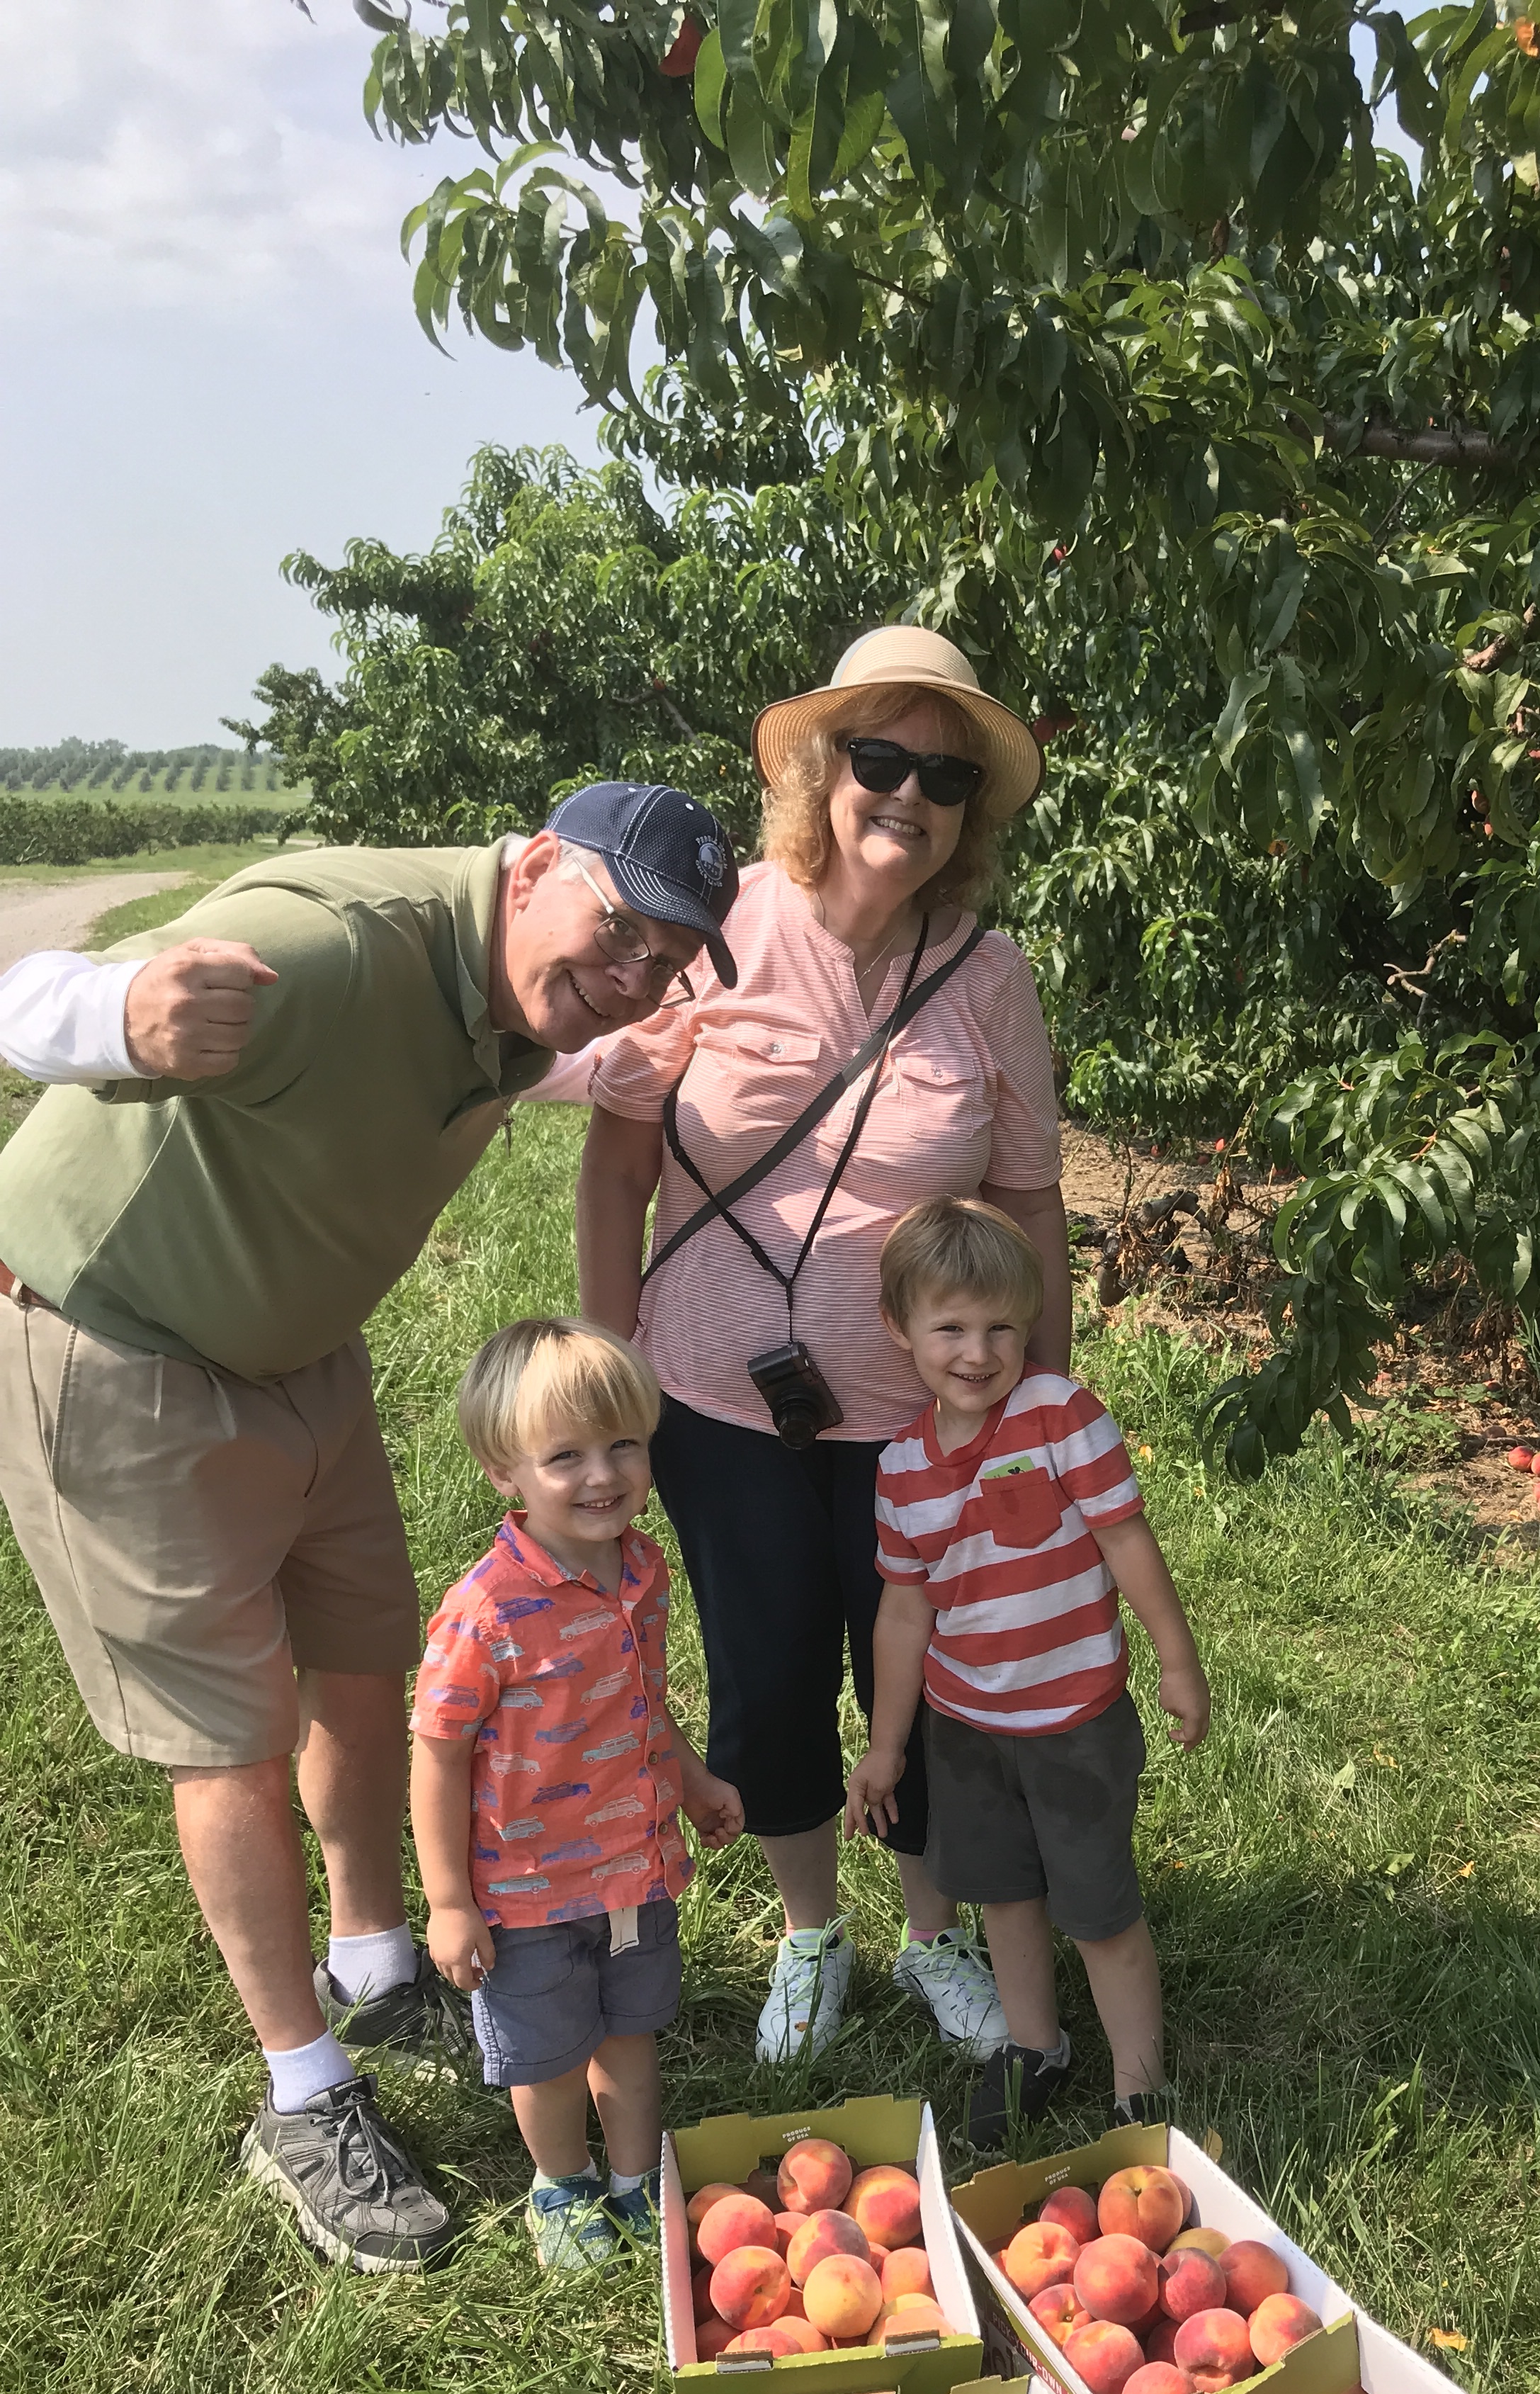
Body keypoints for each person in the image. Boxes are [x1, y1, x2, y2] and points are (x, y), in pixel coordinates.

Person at [0, 783, 740, 2274]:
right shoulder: (331, 940)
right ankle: (303, 2089)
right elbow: (26, 997)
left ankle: (376, 1959)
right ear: (535, 864)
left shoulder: (512, 982)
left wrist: (588, 1071)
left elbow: (473, 1055)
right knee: (231, 1737)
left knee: (363, 1660)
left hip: (305, 1354)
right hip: (126, 1342)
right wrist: (120, 1015)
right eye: (619, 932)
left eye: (666, 963)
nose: (633, 977)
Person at [577, 626, 1072, 2069]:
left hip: (924, 1414)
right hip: (713, 1395)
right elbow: (617, 1161)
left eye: (945, 777)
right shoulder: (718, 931)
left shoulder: (986, 974)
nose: (908, 795)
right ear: (820, 770)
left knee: (926, 1676)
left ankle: (932, 1931)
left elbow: (1031, 1196)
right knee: (769, 1668)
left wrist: (1039, 1396)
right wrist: (609, 1357)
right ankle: (811, 1927)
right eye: (880, 759)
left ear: (969, 813)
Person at [844, 1196, 1210, 2141]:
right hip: (965, 1728)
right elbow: (903, 1612)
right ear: (900, 1327)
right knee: (1004, 1896)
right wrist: (886, 1746)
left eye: (1001, 1328)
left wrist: (1176, 1662)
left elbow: (1125, 1539)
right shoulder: (900, 1469)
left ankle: (1138, 2091)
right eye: (951, 1329)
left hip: (1075, 1722)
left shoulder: (1058, 1414)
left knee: (1098, 1910)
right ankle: (1034, 2045)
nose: (978, 1352)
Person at [410, 1317, 742, 2268]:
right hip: (525, 1892)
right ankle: (562, 2184)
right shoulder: (486, 1611)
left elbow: (642, 1701)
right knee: (549, 2057)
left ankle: (635, 2179)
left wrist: (691, 1780)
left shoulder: (642, 1569)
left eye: (623, 1445)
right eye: (565, 1457)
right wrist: (448, 1901)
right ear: (502, 1471)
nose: (603, 1475)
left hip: (633, 1867)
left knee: (630, 2033)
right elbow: (437, 1753)